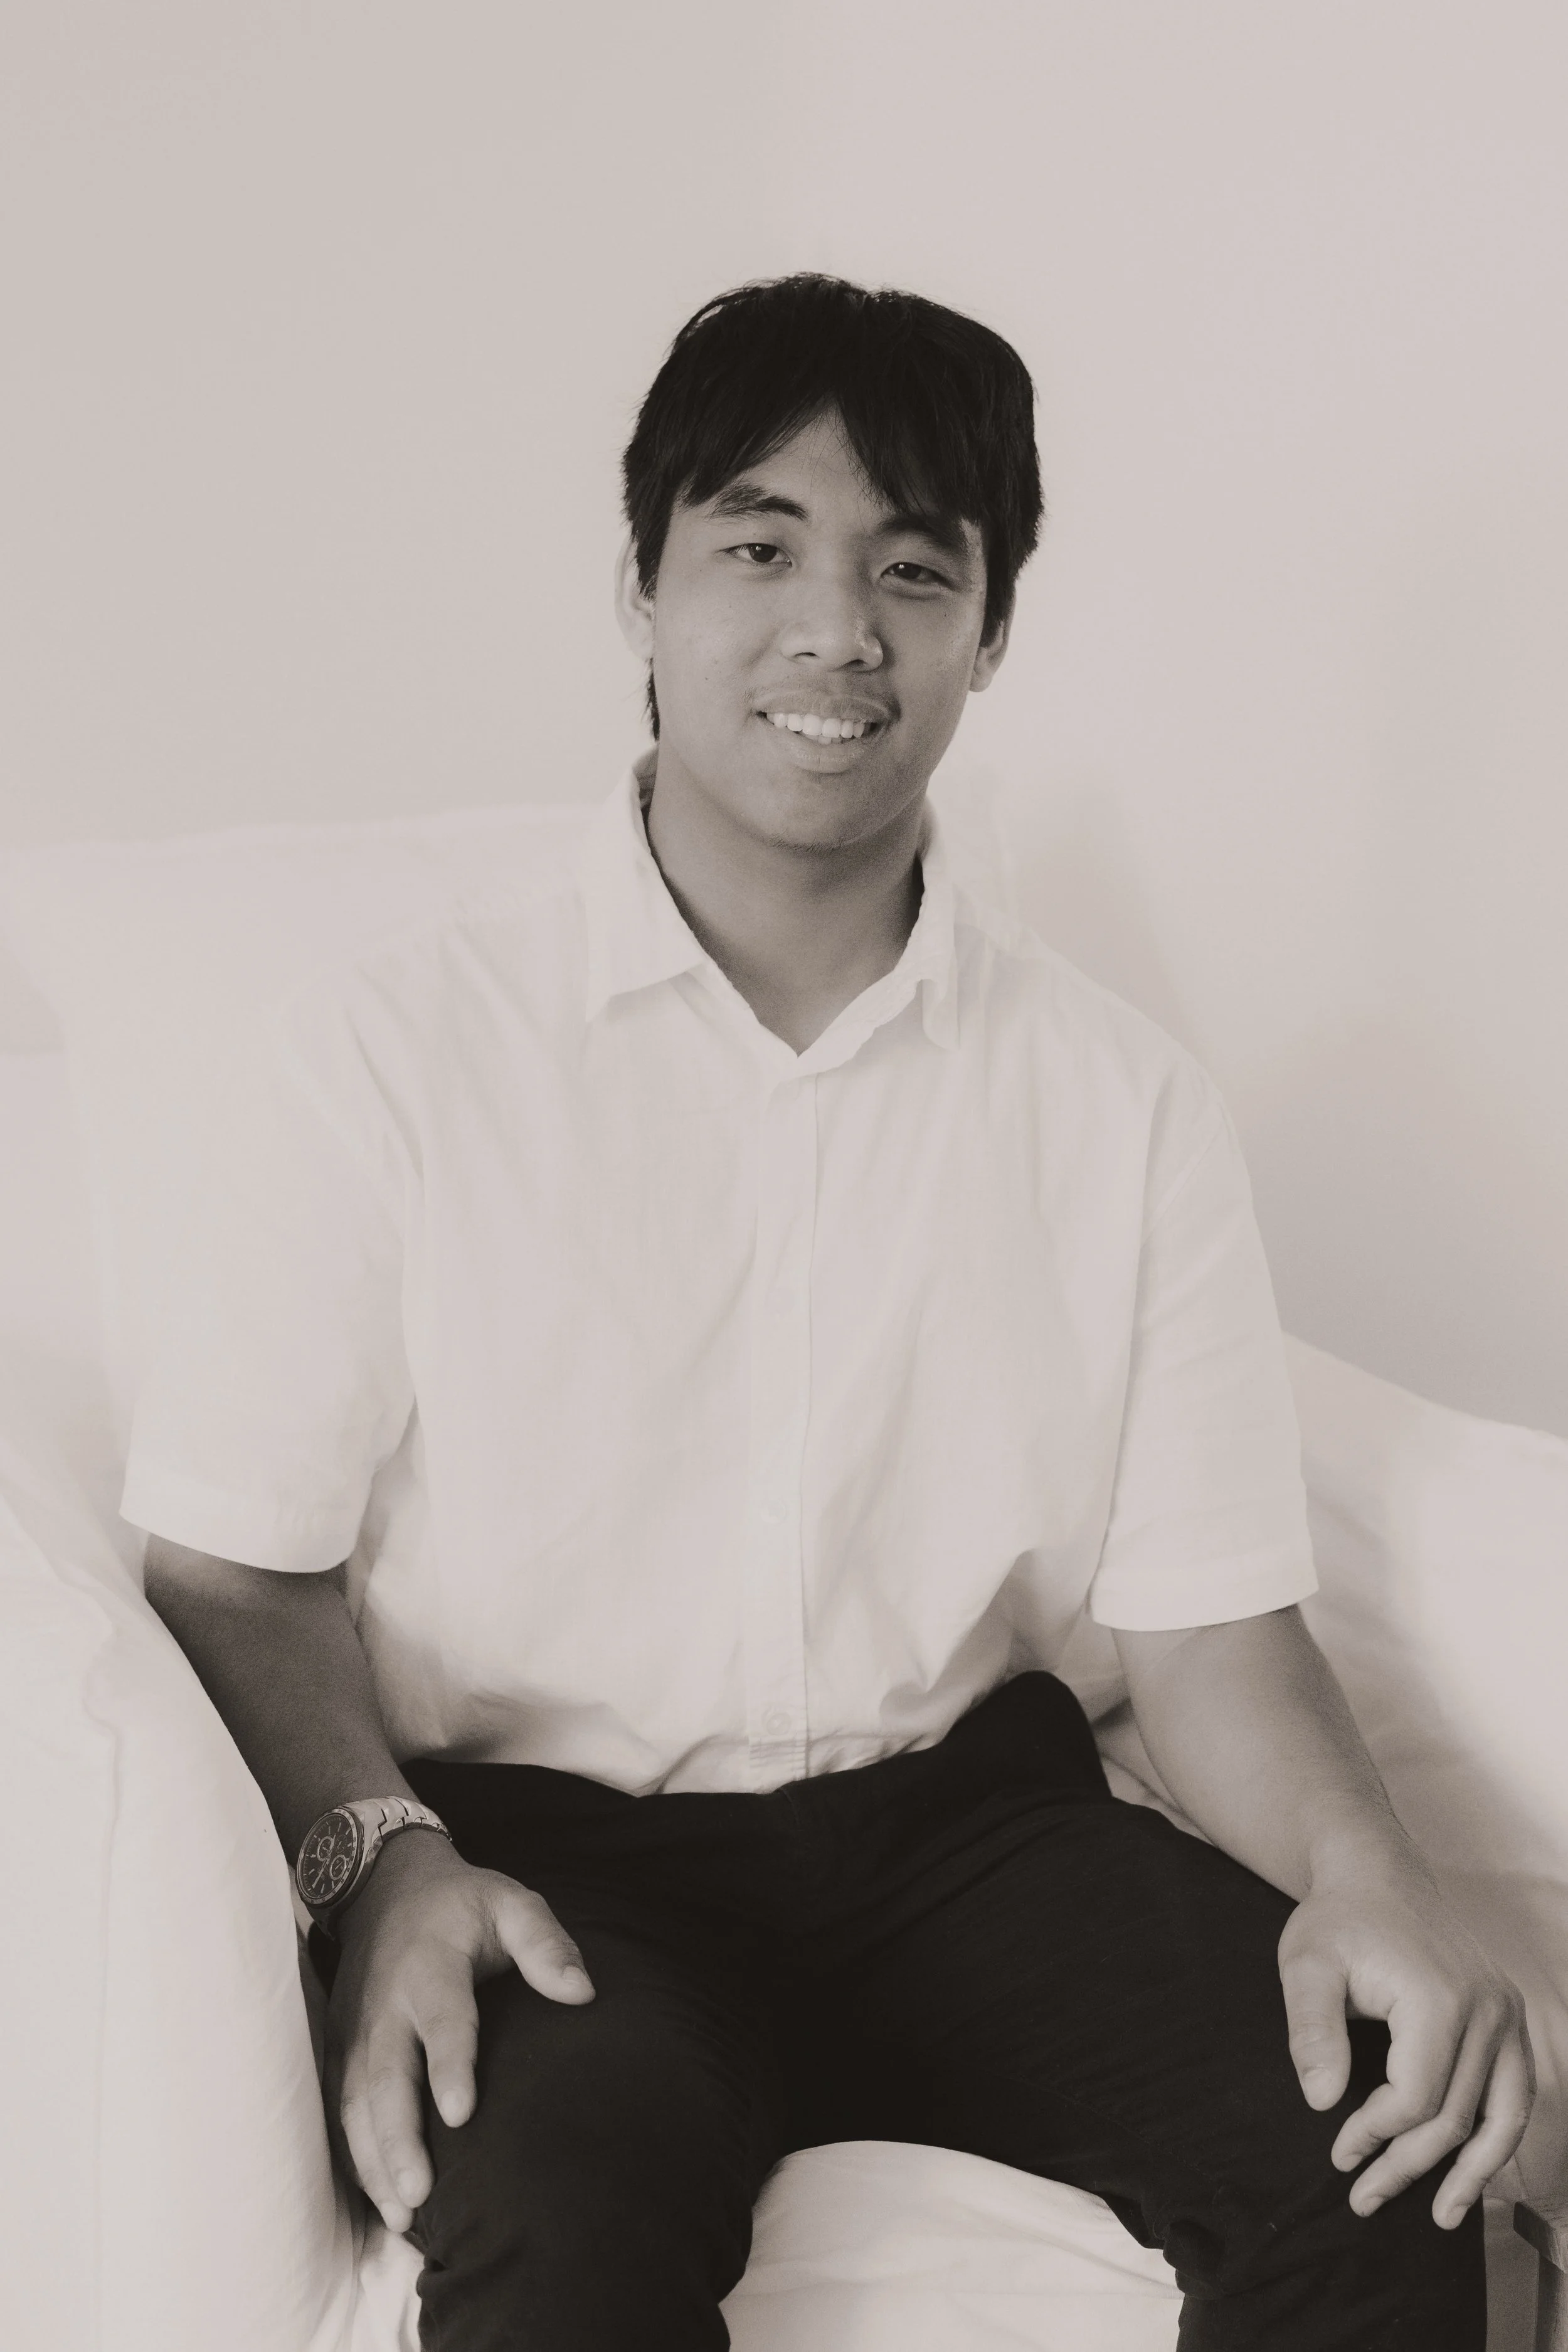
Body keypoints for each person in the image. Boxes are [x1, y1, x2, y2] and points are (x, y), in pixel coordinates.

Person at [132, 273, 1532, 2351]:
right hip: (562, 1865)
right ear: (641, 584)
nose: (835, 630)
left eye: (912, 569)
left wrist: (1370, 1875)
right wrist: (382, 1859)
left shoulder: (1117, 1098)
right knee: (557, 2231)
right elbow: (233, 1569)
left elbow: (1207, 1629)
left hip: (974, 1842)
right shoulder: (398, 1054)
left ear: (989, 630)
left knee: (1389, 2169)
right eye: (758, 547)